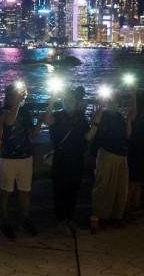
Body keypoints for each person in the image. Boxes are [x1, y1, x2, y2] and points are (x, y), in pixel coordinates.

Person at [0, 82, 41, 240]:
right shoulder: (3, 112)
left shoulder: (25, 112)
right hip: (7, 157)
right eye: (14, 94)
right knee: (5, 191)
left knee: (25, 190)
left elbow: (33, 133)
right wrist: (17, 104)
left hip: (25, 156)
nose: (18, 96)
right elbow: (8, 124)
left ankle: (25, 219)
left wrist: (40, 121)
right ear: (8, 97)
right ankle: (5, 221)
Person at [44, 87, 89, 235]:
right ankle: (61, 221)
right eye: (65, 100)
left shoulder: (81, 117)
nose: (68, 103)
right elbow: (47, 119)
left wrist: (97, 119)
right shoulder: (57, 115)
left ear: (76, 102)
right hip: (61, 159)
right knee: (60, 191)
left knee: (73, 190)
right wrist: (52, 98)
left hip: (77, 158)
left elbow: (87, 136)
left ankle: (69, 219)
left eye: (71, 100)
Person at [88, 89, 133, 227]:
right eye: (112, 101)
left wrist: (129, 120)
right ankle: (100, 216)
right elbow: (94, 129)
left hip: (121, 156)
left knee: (120, 187)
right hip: (107, 154)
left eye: (116, 102)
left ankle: (116, 215)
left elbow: (127, 135)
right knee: (104, 186)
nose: (114, 104)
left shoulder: (120, 117)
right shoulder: (103, 115)